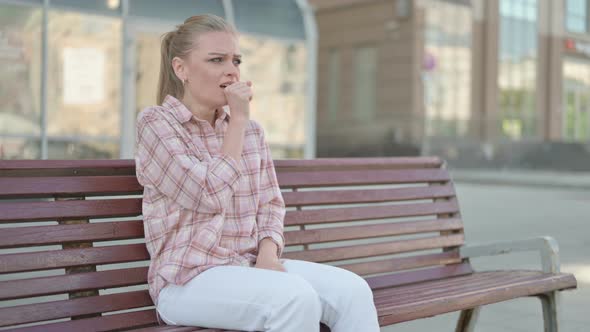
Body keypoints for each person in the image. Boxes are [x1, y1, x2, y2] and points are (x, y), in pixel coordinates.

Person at [134, 14, 380, 332]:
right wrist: (237, 122)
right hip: (185, 280)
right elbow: (207, 194)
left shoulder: (252, 133)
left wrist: (267, 253)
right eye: (216, 60)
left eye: (236, 60)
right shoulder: (157, 124)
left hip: (247, 266)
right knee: (294, 298)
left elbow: (270, 204)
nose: (231, 70)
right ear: (181, 69)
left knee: (353, 292)